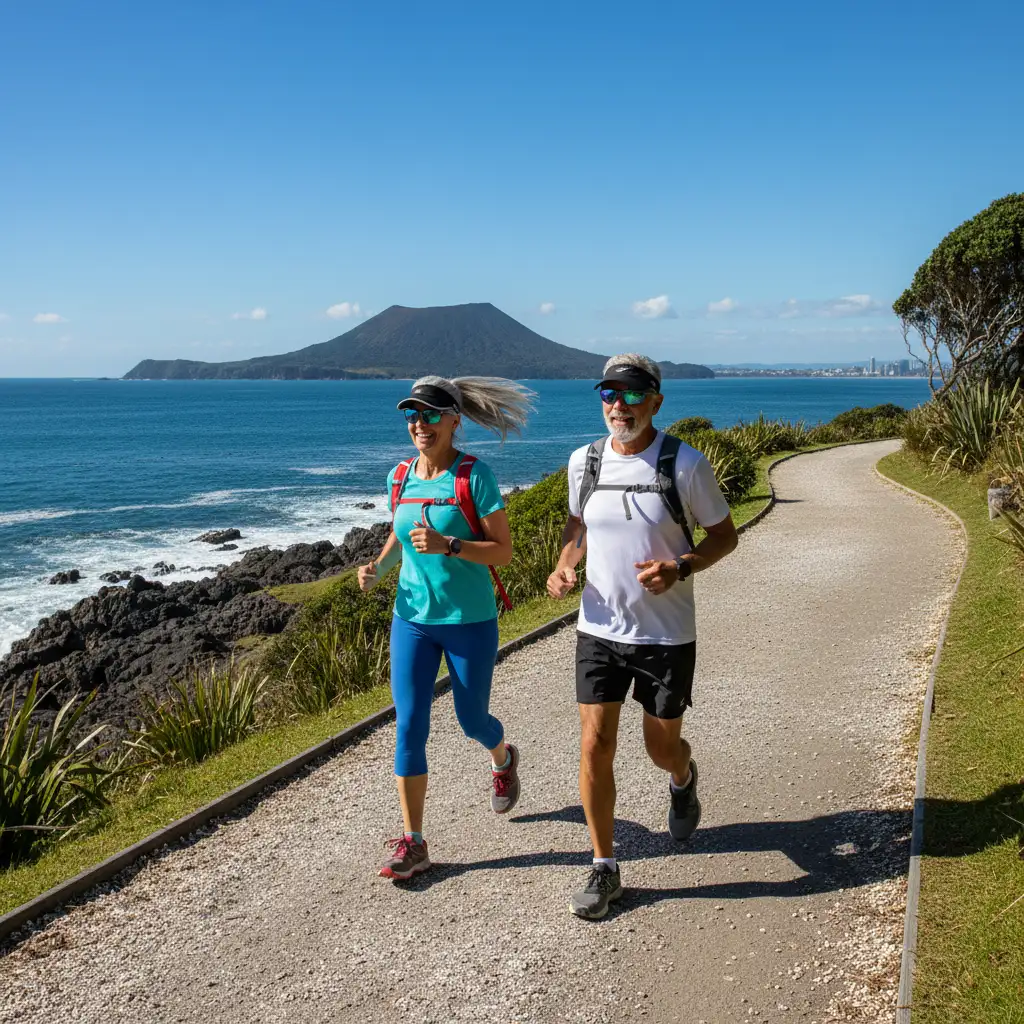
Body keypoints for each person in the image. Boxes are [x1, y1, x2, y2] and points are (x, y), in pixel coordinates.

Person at [547, 353, 738, 919]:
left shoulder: (685, 463)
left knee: (660, 749)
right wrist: (564, 565)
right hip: (598, 629)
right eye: (609, 393)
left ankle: (682, 776)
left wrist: (680, 567)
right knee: (594, 744)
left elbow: (724, 536)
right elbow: (577, 524)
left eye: (632, 394)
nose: (619, 405)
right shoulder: (584, 461)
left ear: (656, 401)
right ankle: (604, 866)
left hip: (666, 635)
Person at [358, 374, 534, 881]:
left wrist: (450, 546)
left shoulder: (474, 477)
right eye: (412, 415)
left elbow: (503, 551)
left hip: (468, 620)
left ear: (454, 420)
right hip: (411, 620)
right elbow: (401, 536)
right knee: (409, 724)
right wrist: (378, 568)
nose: (420, 424)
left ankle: (502, 757)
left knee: (472, 721)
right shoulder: (399, 477)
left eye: (431, 414)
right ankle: (413, 842)